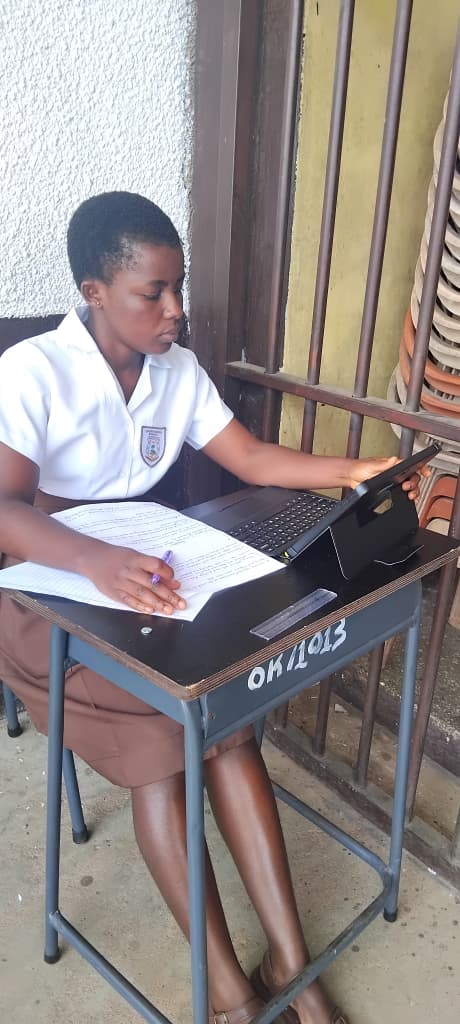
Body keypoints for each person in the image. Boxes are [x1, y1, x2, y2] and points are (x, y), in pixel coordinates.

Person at [0, 192, 423, 1024]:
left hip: (147, 586)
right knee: (172, 740)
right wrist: (92, 559)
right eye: (152, 293)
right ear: (93, 291)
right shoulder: (32, 373)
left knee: (224, 721)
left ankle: (292, 968)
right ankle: (228, 991)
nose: (176, 311)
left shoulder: (174, 369)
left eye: (179, 287)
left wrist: (348, 473)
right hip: (49, 603)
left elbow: (251, 458)